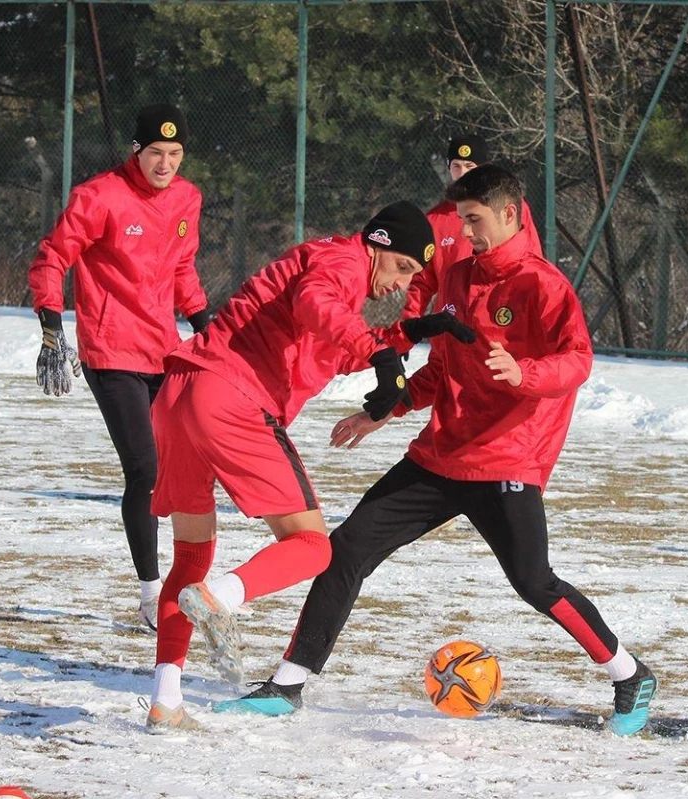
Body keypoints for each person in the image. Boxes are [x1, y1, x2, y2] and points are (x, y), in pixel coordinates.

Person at [219, 164, 658, 737]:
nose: (466, 232)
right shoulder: (456, 279)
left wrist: (522, 372)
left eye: (473, 220)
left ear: (508, 213)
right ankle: (287, 685)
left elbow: (577, 361)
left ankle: (629, 674)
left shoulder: (543, 285)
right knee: (344, 551)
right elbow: (443, 367)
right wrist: (384, 411)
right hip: (439, 456)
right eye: (461, 220)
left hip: (506, 458)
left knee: (534, 582)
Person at [143, 201, 476, 732]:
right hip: (230, 399)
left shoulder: (336, 274)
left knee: (189, 556)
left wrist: (411, 333)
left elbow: (332, 346)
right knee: (313, 547)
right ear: (379, 244)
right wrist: (378, 352)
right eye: (404, 268)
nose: (399, 284)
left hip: (178, 397)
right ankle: (221, 597)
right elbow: (317, 304)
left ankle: (165, 699)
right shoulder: (342, 262)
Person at [28, 104, 211, 633]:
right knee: (145, 471)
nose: (166, 164)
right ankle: (152, 595)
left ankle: (184, 583)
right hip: (110, 352)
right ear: (136, 150)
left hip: (163, 351)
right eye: (156, 152)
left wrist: (207, 328)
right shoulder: (99, 196)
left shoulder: (186, 199)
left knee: (183, 469)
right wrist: (50, 324)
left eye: (175, 154)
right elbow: (51, 258)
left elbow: (182, 270)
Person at [403, 133, 543, 323]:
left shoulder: (509, 207)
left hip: (501, 317)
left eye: (470, 166)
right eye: (456, 166)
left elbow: (532, 259)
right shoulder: (434, 219)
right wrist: (409, 325)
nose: (462, 173)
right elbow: (423, 281)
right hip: (451, 321)